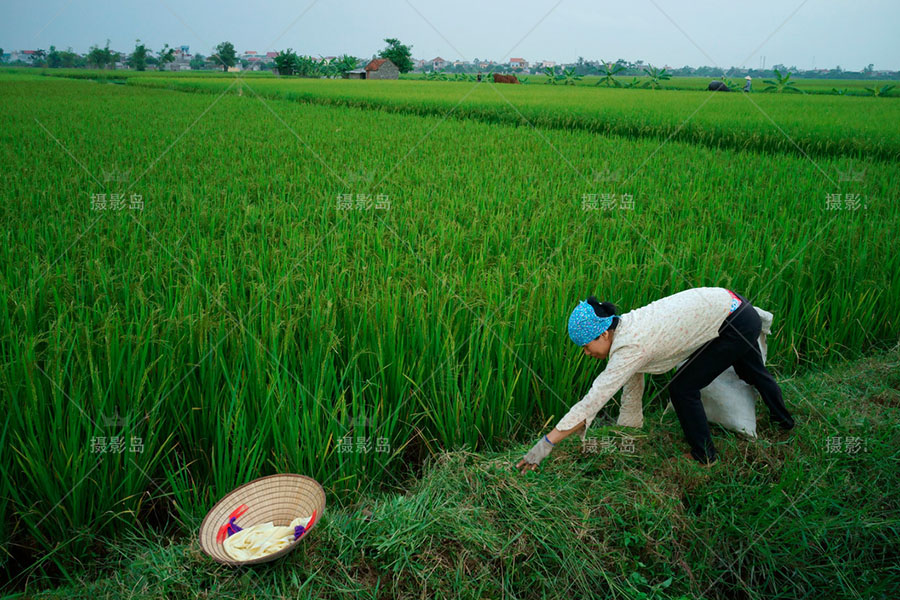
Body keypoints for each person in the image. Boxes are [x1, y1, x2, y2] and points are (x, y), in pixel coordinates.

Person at [515, 287, 795, 474]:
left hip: (734, 321)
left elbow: (593, 401)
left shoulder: (629, 347)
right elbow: (633, 380)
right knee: (751, 372)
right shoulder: (626, 327)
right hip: (736, 307)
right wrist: (630, 427)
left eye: (586, 346)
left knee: (683, 387)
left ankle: (705, 457)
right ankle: (786, 423)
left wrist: (544, 447)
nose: (586, 353)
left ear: (602, 335)